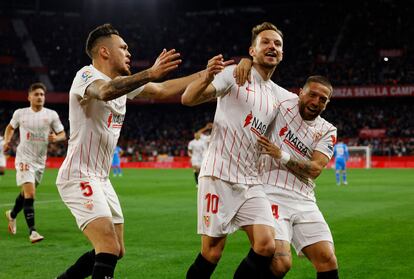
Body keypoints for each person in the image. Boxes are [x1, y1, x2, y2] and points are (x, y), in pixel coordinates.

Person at [55, 23, 208, 279]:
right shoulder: (86, 75)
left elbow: (161, 90)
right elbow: (104, 92)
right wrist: (149, 72)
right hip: (78, 175)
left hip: (101, 179)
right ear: (104, 52)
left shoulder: (122, 83)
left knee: (118, 250)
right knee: (108, 247)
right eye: (123, 48)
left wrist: (207, 74)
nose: (129, 53)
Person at [182, 22, 294, 278]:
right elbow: (188, 98)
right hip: (219, 175)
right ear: (252, 51)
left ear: (282, 54)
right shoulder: (234, 74)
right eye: (265, 42)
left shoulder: (279, 95)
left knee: (266, 244)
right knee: (212, 252)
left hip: (251, 181)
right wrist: (208, 76)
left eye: (277, 44)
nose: (272, 47)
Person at [254, 76, 339, 279]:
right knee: (281, 263)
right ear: (301, 92)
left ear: (327, 104)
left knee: (327, 259)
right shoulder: (283, 101)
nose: (316, 101)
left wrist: (281, 155)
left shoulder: (327, 130)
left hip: (304, 199)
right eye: (312, 94)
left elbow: (316, 169)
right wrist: (246, 64)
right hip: (271, 192)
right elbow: (260, 78)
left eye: (322, 99)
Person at [3, 82, 66, 243]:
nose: (40, 97)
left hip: (40, 160)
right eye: (36, 94)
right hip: (24, 158)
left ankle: (11, 214)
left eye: (42, 95)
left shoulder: (51, 115)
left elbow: (62, 134)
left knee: (25, 194)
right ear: (29, 96)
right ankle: (33, 232)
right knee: (30, 194)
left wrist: (56, 138)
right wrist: (7, 141)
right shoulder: (20, 113)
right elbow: (10, 128)